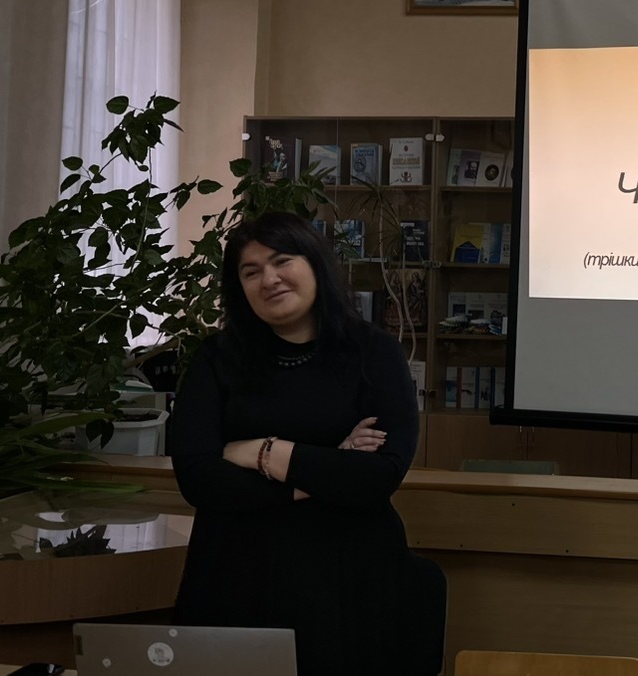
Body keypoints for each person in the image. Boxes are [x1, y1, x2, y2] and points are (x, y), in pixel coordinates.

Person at [168, 211, 444, 675]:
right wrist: (332, 464)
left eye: (282, 261)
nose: (269, 279)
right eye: (251, 271)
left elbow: (377, 477)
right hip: (236, 576)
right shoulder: (216, 358)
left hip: (349, 577)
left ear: (315, 263)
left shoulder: (373, 352)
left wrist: (262, 452)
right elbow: (198, 478)